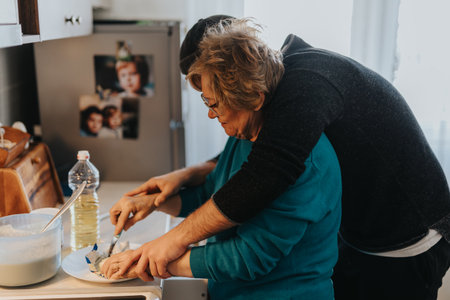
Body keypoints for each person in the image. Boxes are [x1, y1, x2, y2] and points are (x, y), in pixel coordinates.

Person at [107, 16, 450, 300]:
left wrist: (163, 250)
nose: (211, 113)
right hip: (356, 240)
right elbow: (229, 179)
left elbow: (264, 178)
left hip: (407, 240)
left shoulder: (302, 101)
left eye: (212, 101)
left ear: (249, 91)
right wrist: (159, 198)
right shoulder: (261, 119)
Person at [102, 26, 342, 297]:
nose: (210, 115)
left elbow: (249, 257)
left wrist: (147, 260)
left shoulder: (301, 162)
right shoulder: (246, 133)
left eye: (214, 104)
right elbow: (213, 194)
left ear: (254, 98)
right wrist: (155, 203)